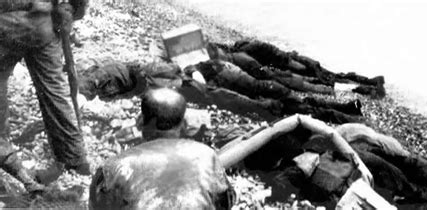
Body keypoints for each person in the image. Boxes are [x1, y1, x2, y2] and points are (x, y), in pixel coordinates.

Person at [79, 60, 363, 124]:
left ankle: (341, 111)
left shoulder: (121, 72)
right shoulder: (140, 82)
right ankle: (343, 109)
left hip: (212, 89)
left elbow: (93, 82)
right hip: (208, 91)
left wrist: (82, 94)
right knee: (260, 102)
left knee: (264, 102)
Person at [89, 88, 234, 209]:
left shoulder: (114, 167)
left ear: (140, 122)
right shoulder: (207, 155)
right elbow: (226, 202)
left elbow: (98, 206)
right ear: (184, 125)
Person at [0, 0, 91, 192]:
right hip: (43, 22)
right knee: (56, 92)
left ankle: (10, 162)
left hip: (6, 23)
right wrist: (73, 11)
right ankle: (75, 161)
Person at [213, 40, 386, 99]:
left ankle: (366, 88)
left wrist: (292, 70)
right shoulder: (244, 49)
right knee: (332, 78)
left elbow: (285, 66)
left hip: (297, 68)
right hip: (296, 66)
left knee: (327, 84)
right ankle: (369, 84)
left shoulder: (245, 54)